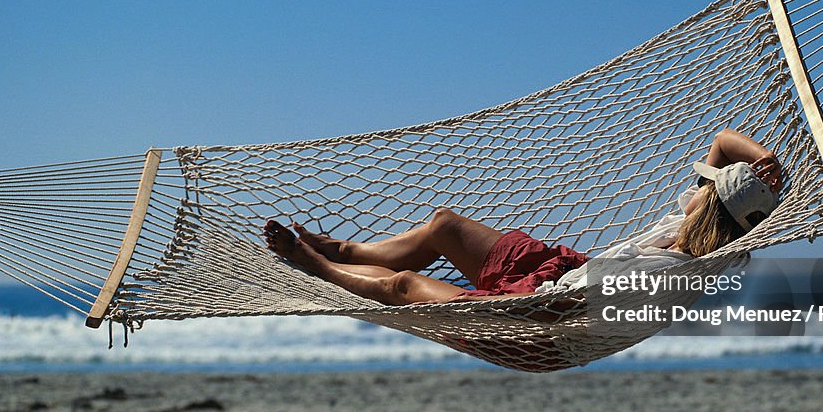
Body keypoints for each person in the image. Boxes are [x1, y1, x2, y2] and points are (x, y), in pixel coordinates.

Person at [263, 128, 783, 306]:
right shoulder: (687, 225)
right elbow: (721, 142)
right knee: (444, 224)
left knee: (404, 287)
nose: (695, 185)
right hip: (561, 269)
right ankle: (348, 252)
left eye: (705, 186)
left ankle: (320, 267)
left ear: (710, 204)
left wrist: (505, 313)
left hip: (543, 317)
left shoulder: (679, 267)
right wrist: (766, 163)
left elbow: (573, 310)